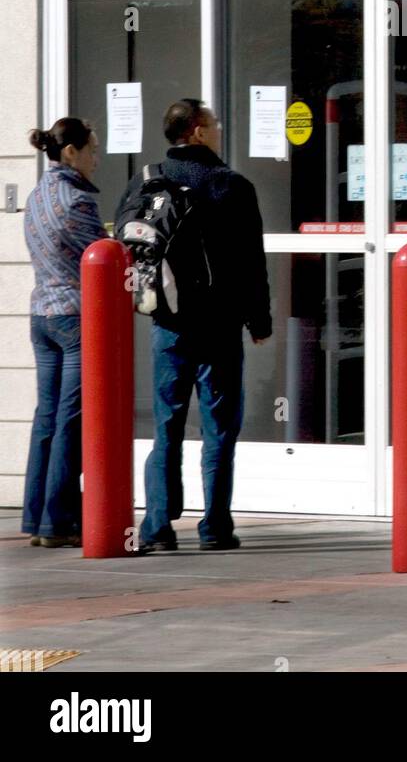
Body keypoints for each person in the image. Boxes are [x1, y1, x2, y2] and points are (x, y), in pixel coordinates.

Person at [116, 99, 271, 553]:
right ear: (199, 131)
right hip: (220, 325)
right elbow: (251, 264)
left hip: (167, 321)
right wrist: (258, 320)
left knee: (167, 423)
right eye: (215, 124)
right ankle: (215, 526)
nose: (220, 130)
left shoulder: (145, 181)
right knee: (220, 426)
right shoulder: (231, 185)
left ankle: (158, 526)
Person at [22, 118, 105, 548]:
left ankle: (36, 519)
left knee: (46, 418)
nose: (97, 156)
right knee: (71, 420)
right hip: (75, 317)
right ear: (70, 152)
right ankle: (59, 522)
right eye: (91, 148)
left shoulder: (36, 196)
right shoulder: (76, 201)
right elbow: (105, 255)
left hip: (41, 315)